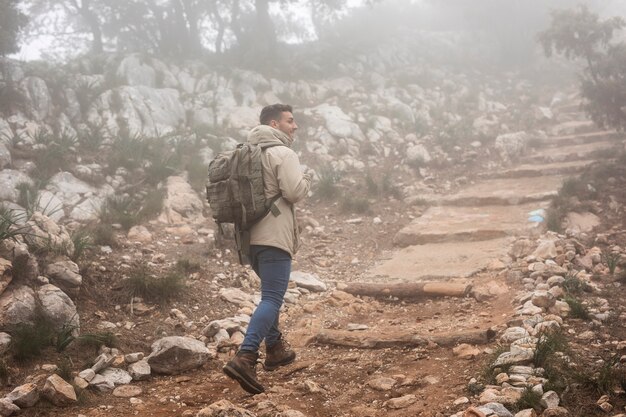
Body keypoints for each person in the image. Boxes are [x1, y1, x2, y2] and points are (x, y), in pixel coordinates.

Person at [223, 104, 311, 394]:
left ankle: (275, 349)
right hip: (274, 237)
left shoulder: (246, 154)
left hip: (250, 241)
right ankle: (246, 356)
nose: (294, 126)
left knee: (268, 295)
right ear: (274, 124)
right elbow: (294, 192)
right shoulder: (283, 153)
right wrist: (308, 178)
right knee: (273, 298)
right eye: (290, 120)